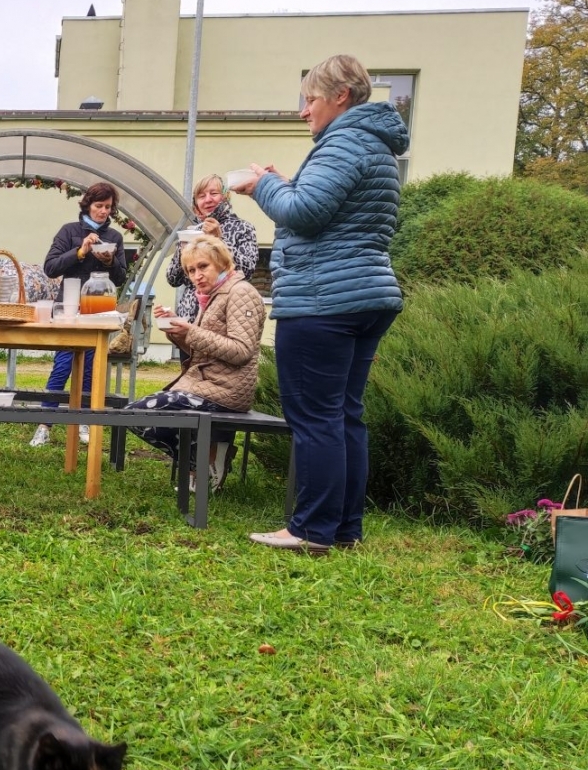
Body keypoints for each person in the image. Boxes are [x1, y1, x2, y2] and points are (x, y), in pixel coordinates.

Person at [234, 54, 407, 554]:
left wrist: (262, 185)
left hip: (323, 299)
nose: (303, 111)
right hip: (364, 294)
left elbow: (305, 214)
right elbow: (332, 213)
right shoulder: (373, 145)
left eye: (309, 100)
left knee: (316, 417)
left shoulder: (344, 141)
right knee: (344, 415)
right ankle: (343, 529)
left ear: (341, 97)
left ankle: (310, 529)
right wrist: (282, 184)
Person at [125, 233, 264, 489]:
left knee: (137, 414)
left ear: (221, 263)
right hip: (204, 385)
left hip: (226, 391)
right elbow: (201, 349)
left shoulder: (241, 292)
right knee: (134, 415)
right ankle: (203, 462)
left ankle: (203, 463)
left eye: (203, 266)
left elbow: (242, 350)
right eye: (190, 270)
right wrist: (178, 334)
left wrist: (191, 331)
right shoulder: (214, 294)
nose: (196, 275)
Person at [31, 182, 129, 449]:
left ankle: (83, 421)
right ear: (87, 204)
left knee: (89, 369)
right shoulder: (69, 231)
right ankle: (45, 423)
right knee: (62, 365)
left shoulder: (115, 237)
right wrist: (81, 251)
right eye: (98, 206)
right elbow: (50, 267)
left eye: (108, 207)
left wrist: (110, 261)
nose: (103, 212)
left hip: (98, 309)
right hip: (70, 308)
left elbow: (120, 277)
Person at [164, 174, 258, 325]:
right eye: (201, 196)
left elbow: (246, 272)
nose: (208, 199)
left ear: (225, 196)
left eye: (214, 193)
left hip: (224, 319)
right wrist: (182, 251)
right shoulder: (191, 232)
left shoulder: (243, 228)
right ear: (196, 203)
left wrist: (219, 241)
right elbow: (173, 279)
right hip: (190, 323)